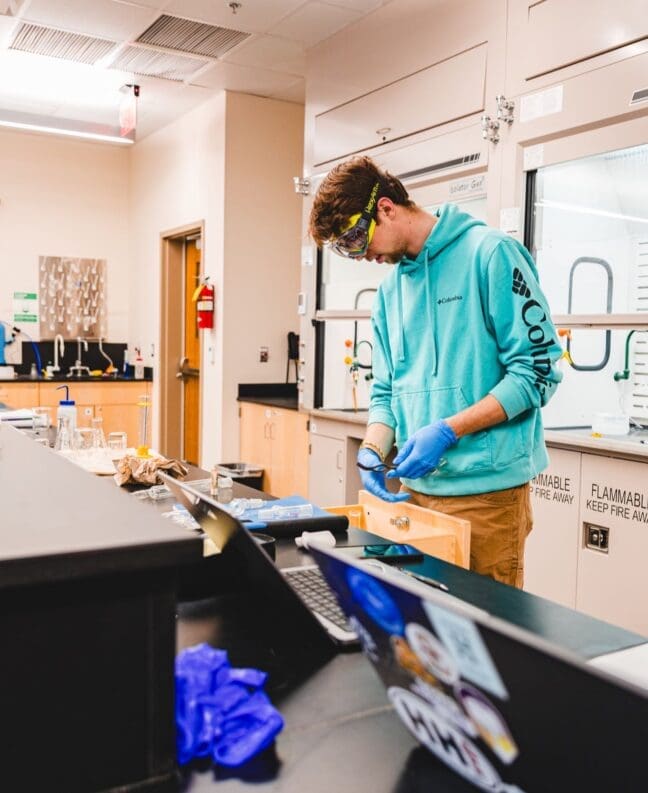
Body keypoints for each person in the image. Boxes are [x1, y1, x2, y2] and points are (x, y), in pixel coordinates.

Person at [308, 156, 562, 587]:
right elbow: (387, 390)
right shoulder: (390, 292)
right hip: (415, 499)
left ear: (386, 207)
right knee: (419, 639)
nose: (362, 255)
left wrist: (449, 430)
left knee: (483, 640)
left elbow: (536, 373)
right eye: (346, 250)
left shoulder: (491, 255)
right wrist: (372, 447)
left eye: (356, 238)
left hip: (486, 498)